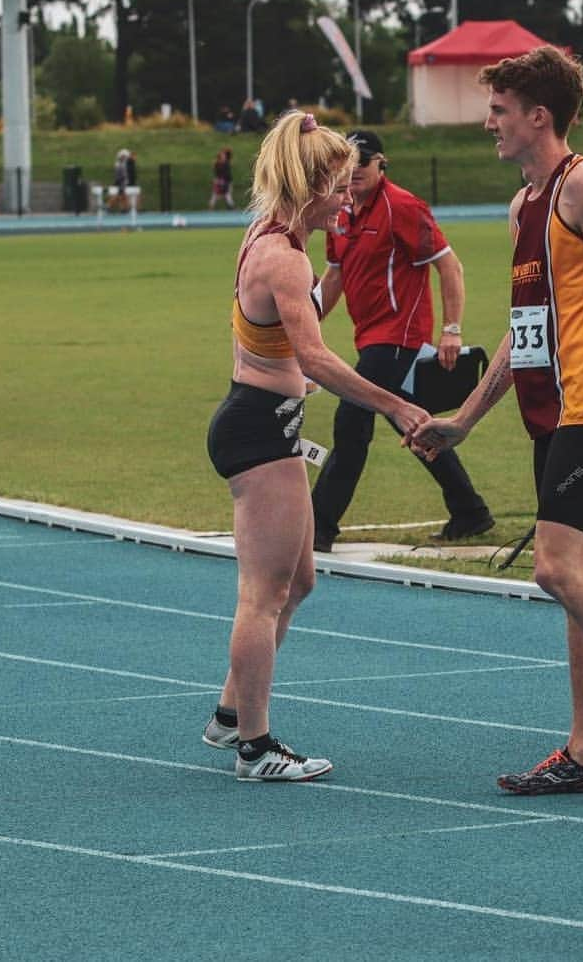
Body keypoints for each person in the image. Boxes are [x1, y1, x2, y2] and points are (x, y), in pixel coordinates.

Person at [411, 46, 583, 795]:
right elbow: (527, 329)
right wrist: (463, 418)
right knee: (579, 575)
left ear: (538, 116)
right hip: (550, 412)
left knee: (554, 567)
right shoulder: (525, 205)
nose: (488, 123)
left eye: (498, 110)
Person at [204, 111, 430, 782]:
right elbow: (317, 356)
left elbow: (299, 346)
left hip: (269, 420)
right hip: (258, 428)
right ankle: (255, 745)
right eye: (337, 186)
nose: (348, 197)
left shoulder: (273, 238)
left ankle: (228, 714)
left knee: (297, 580)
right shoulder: (282, 254)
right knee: (264, 592)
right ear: (309, 186)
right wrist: (396, 405)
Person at [310, 129, 493, 551]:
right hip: (370, 338)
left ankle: (319, 527)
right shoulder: (339, 211)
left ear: (382, 163)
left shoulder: (404, 207)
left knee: (350, 424)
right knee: (413, 424)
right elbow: (334, 274)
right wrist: (308, 320)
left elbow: (450, 267)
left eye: (364, 160)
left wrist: (451, 329)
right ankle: (470, 510)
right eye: (348, 160)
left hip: (398, 338)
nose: (355, 168)